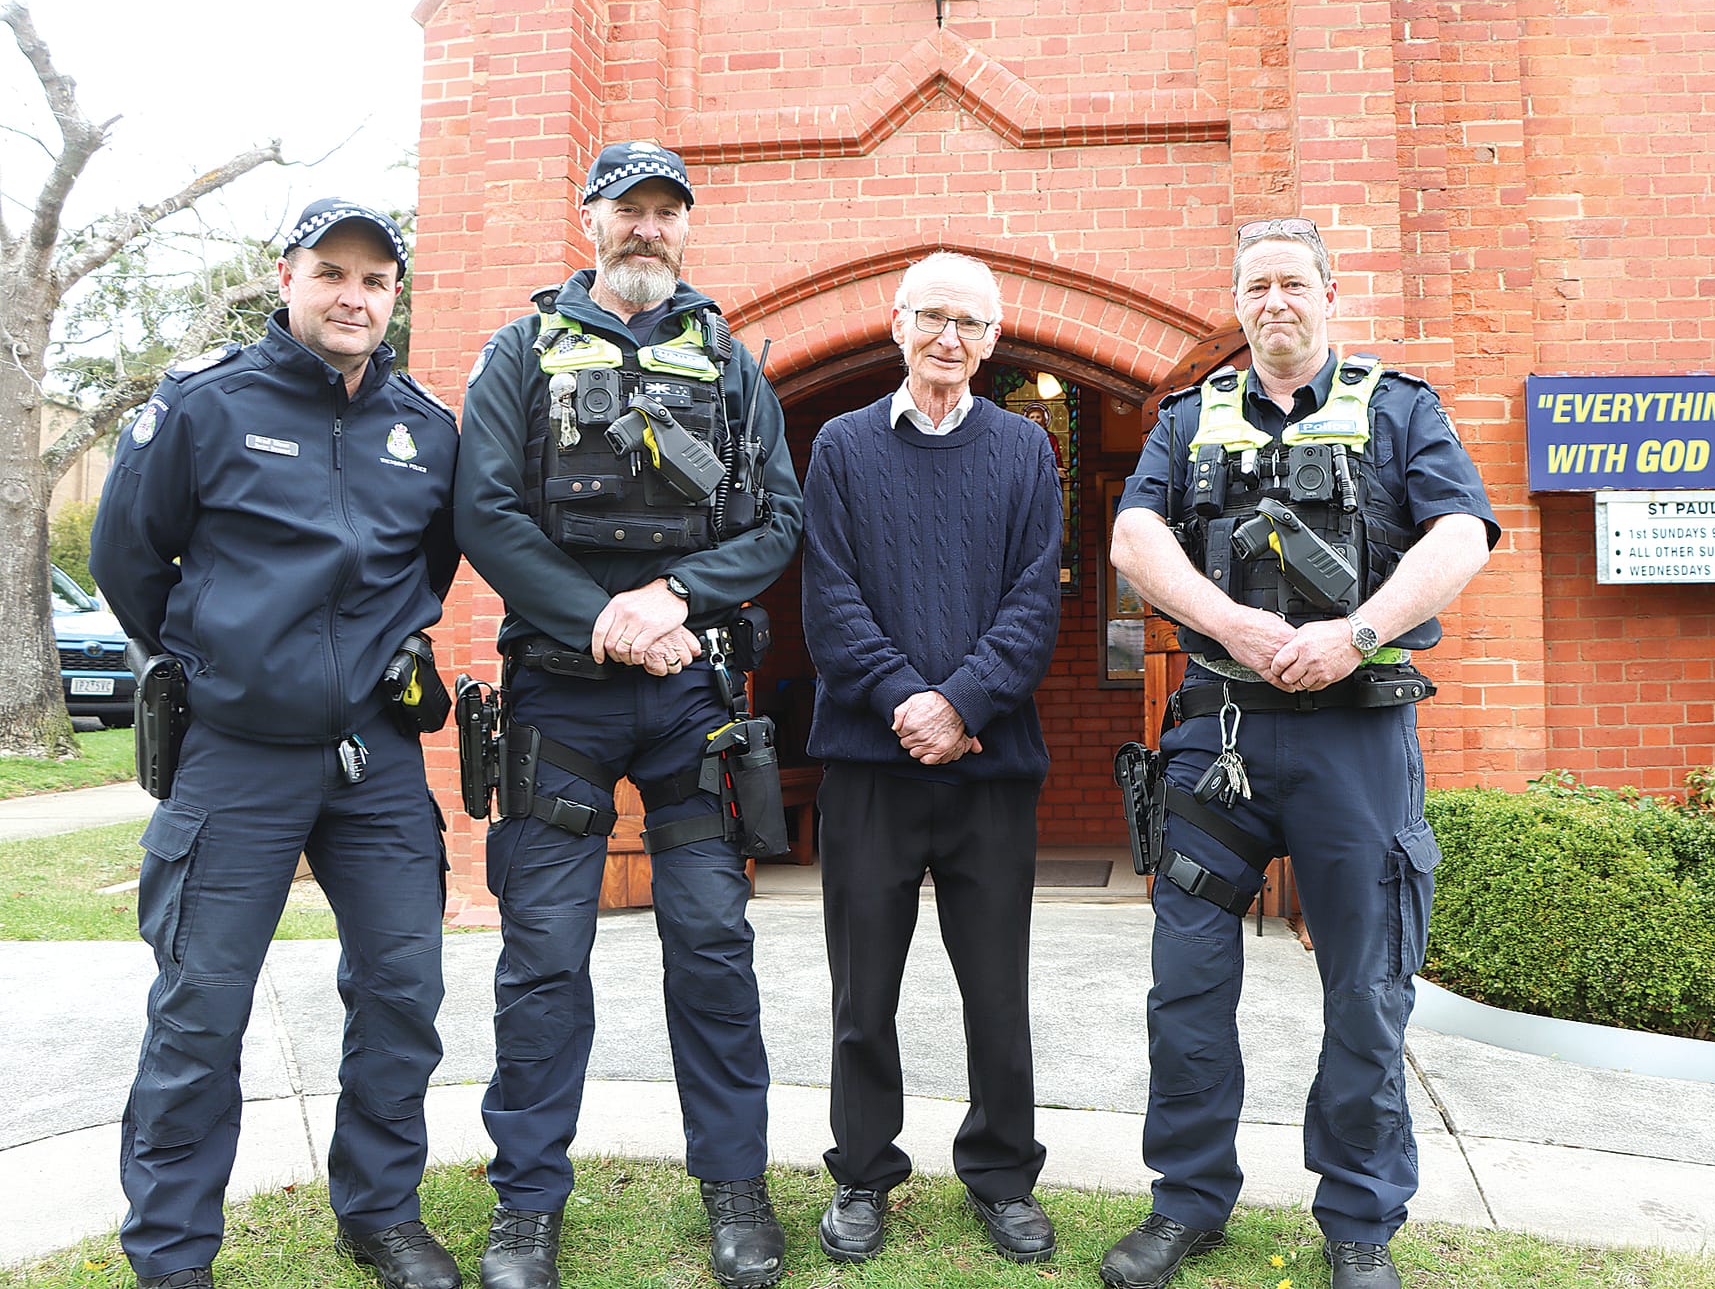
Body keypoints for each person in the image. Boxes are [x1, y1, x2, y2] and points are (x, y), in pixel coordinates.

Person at [1103, 217, 1499, 1289]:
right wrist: (1229, 624)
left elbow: (1460, 532)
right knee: (1185, 980)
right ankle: (1185, 1201)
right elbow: (1133, 539)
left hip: (1355, 738)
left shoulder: (1398, 406)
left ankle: (1359, 1219)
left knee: (1365, 987)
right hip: (1216, 738)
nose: (1273, 301)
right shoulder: (1187, 418)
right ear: (1237, 303)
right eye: (1255, 286)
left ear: (1329, 294)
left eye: (1292, 282)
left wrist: (1355, 631)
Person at [91, 200, 462, 1289]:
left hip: (376, 755)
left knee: (402, 991)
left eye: (375, 281)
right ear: (287, 276)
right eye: (332, 273)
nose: (354, 297)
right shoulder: (201, 406)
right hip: (237, 754)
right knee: (201, 1006)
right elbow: (129, 562)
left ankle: (382, 1212)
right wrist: (230, 666)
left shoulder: (424, 426)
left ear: (394, 295)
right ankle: (171, 1255)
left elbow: (427, 569)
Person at [455, 142, 803, 1289]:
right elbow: (487, 514)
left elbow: (777, 523)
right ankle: (525, 1209)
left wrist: (673, 598)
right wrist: (604, 616)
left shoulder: (731, 360)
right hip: (560, 693)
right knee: (543, 954)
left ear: (685, 227)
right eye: (627, 209)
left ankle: (736, 1190)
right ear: (590, 218)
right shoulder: (519, 350)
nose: (646, 228)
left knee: (711, 942)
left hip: (689, 698)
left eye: (666, 211)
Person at [800, 252, 1063, 1266]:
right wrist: (909, 702)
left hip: (989, 770)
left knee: (995, 991)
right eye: (932, 317)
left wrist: (958, 705)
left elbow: (1034, 602)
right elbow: (828, 600)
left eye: (969, 322)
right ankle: (862, 1173)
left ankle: (1001, 1175)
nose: (948, 337)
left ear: (992, 341)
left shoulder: (1022, 453)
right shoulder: (839, 446)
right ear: (895, 323)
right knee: (862, 993)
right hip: (869, 766)